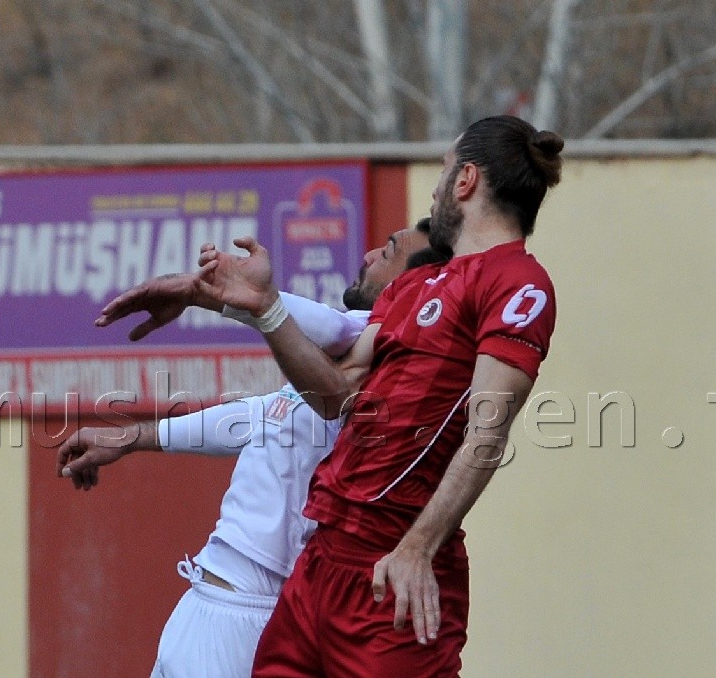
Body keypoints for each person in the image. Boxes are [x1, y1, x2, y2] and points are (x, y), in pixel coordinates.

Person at [99, 115, 564, 676]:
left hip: (392, 564)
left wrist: (419, 547)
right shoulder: (414, 286)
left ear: (465, 180)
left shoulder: (519, 283)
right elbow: (334, 395)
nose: (436, 188)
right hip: (320, 562)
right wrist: (263, 309)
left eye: (443, 172)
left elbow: (487, 432)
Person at [63, 221, 445, 678]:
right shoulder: (348, 355)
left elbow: (332, 324)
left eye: (387, 251)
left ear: (418, 282)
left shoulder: (392, 349)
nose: (368, 257)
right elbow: (266, 416)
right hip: (208, 600)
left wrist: (213, 294)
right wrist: (131, 438)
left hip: (254, 615)